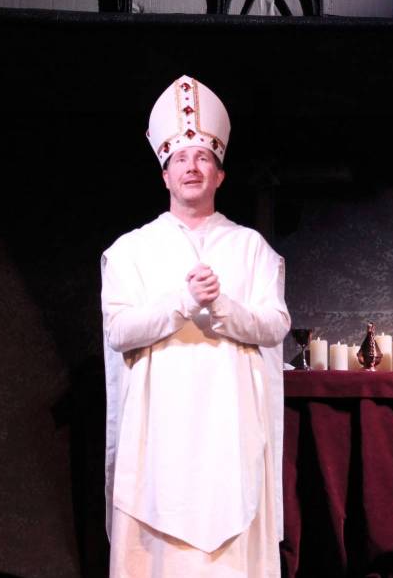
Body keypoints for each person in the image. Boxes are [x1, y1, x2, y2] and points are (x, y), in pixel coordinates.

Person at [101, 75, 291, 577]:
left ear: (219, 175)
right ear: (165, 175)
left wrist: (221, 306)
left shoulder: (251, 248)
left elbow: (275, 325)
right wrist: (183, 303)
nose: (191, 167)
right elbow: (119, 331)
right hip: (158, 436)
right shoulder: (131, 250)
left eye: (203, 158)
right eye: (180, 159)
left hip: (231, 430)